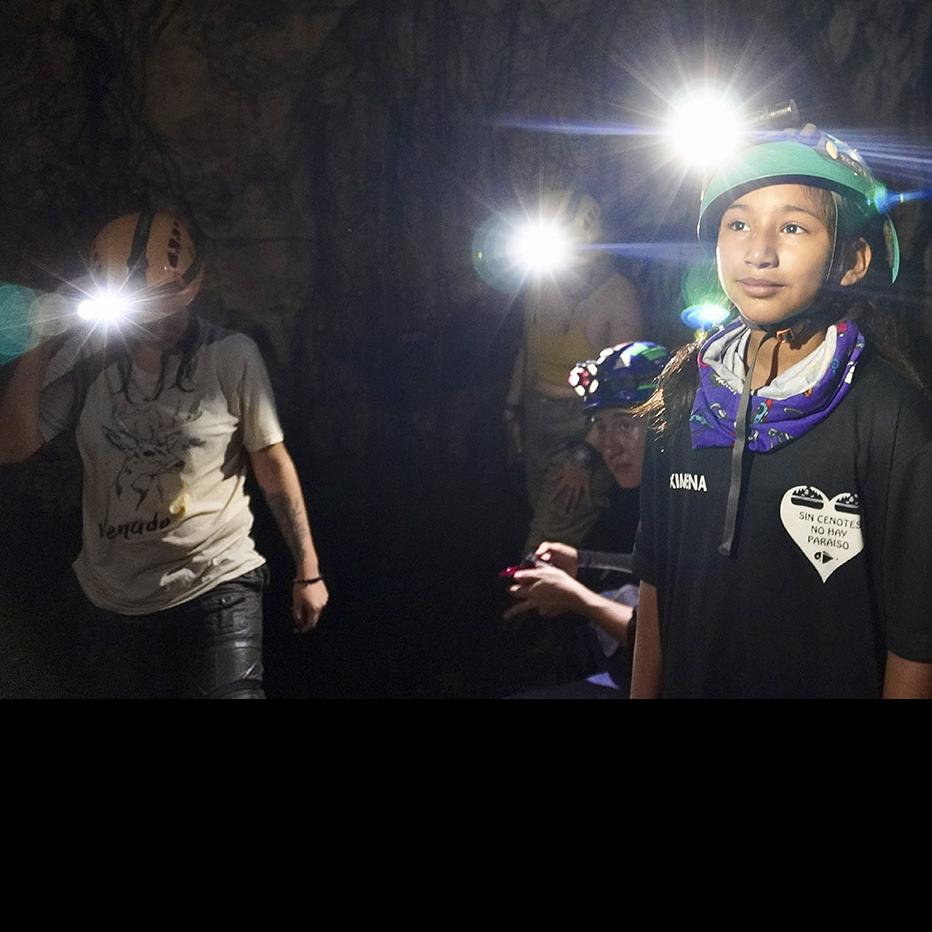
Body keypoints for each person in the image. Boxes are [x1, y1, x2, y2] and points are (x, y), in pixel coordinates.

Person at [631, 124, 932, 698]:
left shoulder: (893, 420)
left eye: (792, 226)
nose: (758, 250)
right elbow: (654, 584)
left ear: (852, 260)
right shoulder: (683, 397)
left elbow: (915, 641)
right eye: (738, 223)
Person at [0, 210, 328, 698]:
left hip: (219, 578)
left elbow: (271, 461)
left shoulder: (230, 355)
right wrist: (38, 346)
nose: (161, 320)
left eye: (171, 301)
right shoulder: (88, 367)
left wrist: (309, 570)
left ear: (194, 289)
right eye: (147, 307)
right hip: (117, 599)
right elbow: (13, 445)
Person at [505, 341, 670, 697]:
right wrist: (582, 562)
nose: (609, 445)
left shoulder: (689, 498)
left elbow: (663, 636)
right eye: (601, 425)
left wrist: (575, 597)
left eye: (625, 425)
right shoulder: (660, 492)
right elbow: (655, 572)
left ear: (667, 422)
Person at [503, 190, 644, 553]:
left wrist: (586, 456)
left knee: (544, 546)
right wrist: (512, 408)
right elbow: (527, 345)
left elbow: (622, 389)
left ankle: (536, 603)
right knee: (544, 517)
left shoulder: (618, 296)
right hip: (538, 418)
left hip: (585, 426)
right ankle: (568, 602)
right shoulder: (539, 279)